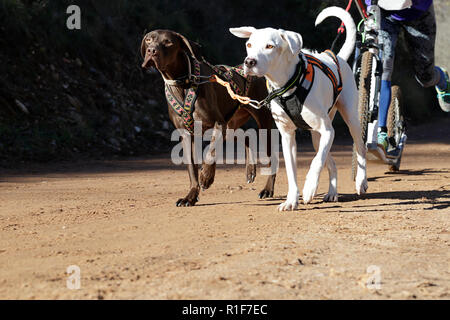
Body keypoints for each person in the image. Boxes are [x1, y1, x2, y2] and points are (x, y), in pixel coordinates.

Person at [367, 0, 450, 156]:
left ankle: (441, 79)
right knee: (383, 67)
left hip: (418, 14)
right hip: (383, 14)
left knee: (425, 76)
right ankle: (382, 133)